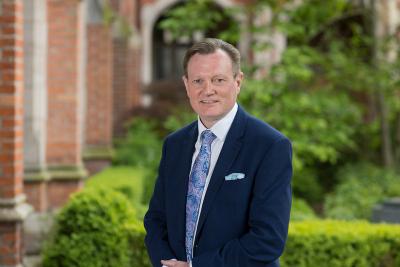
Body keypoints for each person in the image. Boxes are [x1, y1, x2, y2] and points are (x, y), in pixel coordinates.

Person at [144, 38, 292, 267]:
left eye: (218, 80)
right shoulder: (174, 145)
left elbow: (268, 239)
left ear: (238, 81)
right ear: (186, 85)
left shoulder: (269, 146)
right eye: (198, 81)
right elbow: (156, 220)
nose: (207, 90)